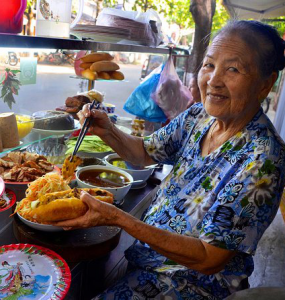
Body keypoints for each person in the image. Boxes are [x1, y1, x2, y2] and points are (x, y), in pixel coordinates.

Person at [54, 20, 285, 299]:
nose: (213, 80)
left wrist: (118, 218)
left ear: (265, 83)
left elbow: (208, 258)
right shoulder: (198, 116)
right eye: (209, 65)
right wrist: (108, 130)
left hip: (192, 285)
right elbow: (143, 153)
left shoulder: (264, 159)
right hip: (149, 261)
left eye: (233, 69)